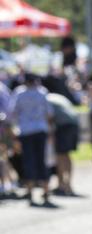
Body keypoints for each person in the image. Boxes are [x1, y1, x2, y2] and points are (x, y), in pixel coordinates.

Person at [9, 72, 52, 206]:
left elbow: (12, 112)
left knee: (29, 160)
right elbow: (49, 113)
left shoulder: (20, 93)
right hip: (40, 129)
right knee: (41, 159)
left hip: (26, 130)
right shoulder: (42, 92)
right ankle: (45, 189)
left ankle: (30, 190)